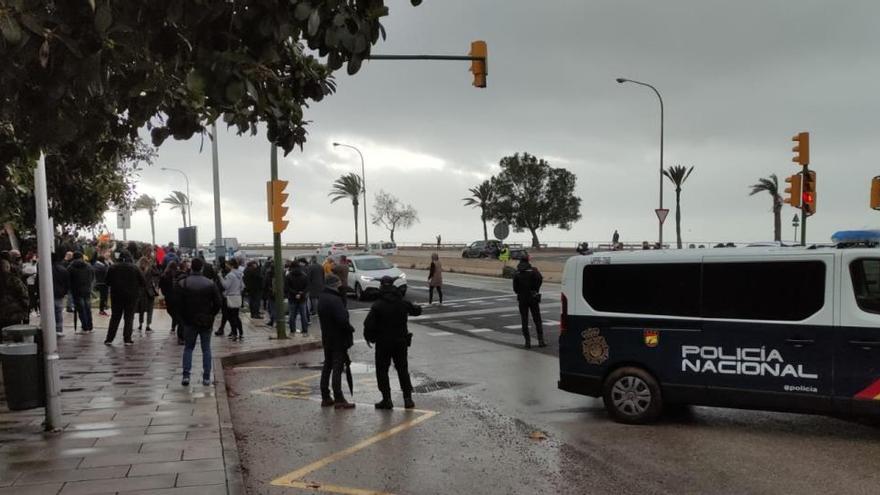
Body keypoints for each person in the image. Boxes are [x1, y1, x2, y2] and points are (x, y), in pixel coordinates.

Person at [364, 276, 422, 410]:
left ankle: (387, 399)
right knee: (402, 369)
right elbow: (416, 311)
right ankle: (408, 399)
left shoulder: (377, 305)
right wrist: (416, 306)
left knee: (382, 371)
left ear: (381, 287)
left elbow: (368, 324)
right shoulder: (402, 302)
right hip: (401, 341)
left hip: (383, 343)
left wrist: (369, 338)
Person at [177, 258, 222, 386]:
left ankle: (186, 376)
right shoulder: (210, 283)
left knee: (188, 348)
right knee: (206, 348)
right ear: (201, 268)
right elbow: (218, 302)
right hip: (206, 320)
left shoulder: (183, 283)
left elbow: (178, 303)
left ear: (191, 268)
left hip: (189, 320)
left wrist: (182, 318)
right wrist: (211, 314)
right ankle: (206, 377)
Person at [317, 274, 355, 409]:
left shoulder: (322, 298)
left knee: (327, 366)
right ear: (335, 284)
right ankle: (339, 398)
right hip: (338, 338)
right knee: (337, 367)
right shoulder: (335, 300)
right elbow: (342, 320)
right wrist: (350, 328)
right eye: (339, 283)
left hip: (327, 337)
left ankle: (325, 396)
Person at [105, 252, 145, 345]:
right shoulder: (134, 268)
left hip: (116, 295)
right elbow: (143, 282)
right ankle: (127, 339)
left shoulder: (113, 267)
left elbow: (107, 281)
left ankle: (109, 339)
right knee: (129, 317)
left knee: (115, 317)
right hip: (131, 296)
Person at [512, 256, 544, 349]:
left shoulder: (517, 272)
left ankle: (527, 342)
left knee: (524, 320)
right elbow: (540, 279)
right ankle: (541, 340)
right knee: (537, 319)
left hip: (522, 298)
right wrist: (535, 289)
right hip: (533, 297)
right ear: (528, 261)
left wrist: (521, 292)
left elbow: (515, 288)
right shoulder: (534, 270)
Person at [67, 252, 95, 332]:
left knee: (81, 309)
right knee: (87, 308)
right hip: (87, 289)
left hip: (76, 290)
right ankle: (90, 326)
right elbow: (92, 277)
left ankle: (85, 327)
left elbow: (68, 279)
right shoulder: (89, 266)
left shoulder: (71, 267)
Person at [0, 259, 29, 332]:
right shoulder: (14, 279)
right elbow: (24, 295)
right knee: (14, 335)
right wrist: (25, 310)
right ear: (7, 267)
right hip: (14, 314)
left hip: (2, 315)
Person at [221, 258, 244, 340]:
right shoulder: (240, 274)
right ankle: (241, 333)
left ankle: (234, 333)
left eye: (227, 264)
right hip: (237, 296)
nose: (226, 266)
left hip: (230, 297)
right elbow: (242, 287)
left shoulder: (230, 275)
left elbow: (225, 286)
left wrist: (220, 277)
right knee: (236, 316)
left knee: (231, 316)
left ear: (231, 265)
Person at [285, 260, 309, 334]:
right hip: (302, 298)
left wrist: (295, 293)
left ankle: (293, 330)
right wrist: (301, 293)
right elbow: (307, 287)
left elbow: (287, 287)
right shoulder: (304, 275)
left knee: (292, 315)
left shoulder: (288, 276)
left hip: (292, 298)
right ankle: (305, 330)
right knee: (303, 315)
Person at [136, 256, 159, 332]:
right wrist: (153, 265)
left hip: (141, 292)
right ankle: (148, 326)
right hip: (149, 292)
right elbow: (157, 274)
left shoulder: (137, 270)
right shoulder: (150, 269)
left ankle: (140, 325)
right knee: (150, 310)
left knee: (141, 310)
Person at [52, 253, 70, 336]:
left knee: (47, 312)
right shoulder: (63, 269)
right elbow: (67, 283)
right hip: (59, 293)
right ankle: (58, 329)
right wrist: (64, 292)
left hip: (48, 293)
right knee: (58, 312)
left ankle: (48, 328)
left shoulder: (44, 268)